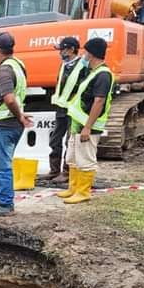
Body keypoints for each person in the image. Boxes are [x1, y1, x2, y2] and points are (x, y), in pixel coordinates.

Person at [57, 37, 114, 204]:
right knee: (72, 158)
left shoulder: (103, 75)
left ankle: (83, 192)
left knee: (85, 159)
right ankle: (73, 188)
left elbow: (99, 101)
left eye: (86, 52)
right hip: (78, 124)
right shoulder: (92, 72)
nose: (83, 55)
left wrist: (87, 127)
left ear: (93, 54)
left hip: (88, 126)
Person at [0, 32, 33, 217]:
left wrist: (19, 115)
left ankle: (5, 203)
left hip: (3, 124)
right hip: (10, 123)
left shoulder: (4, 70)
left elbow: (10, 99)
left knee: (2, 165)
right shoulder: (18, 65)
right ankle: (1, 196)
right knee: (3, 162)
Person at [46, 36, 86, 182]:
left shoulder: (83, 66)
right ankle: (54, 170)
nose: (60, 53)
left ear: (71, 49)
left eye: (62, 49)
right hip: (61, 109)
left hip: (74, 111)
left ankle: (67, 172)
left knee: (70, 141)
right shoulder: (64, 65)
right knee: (55, 139)